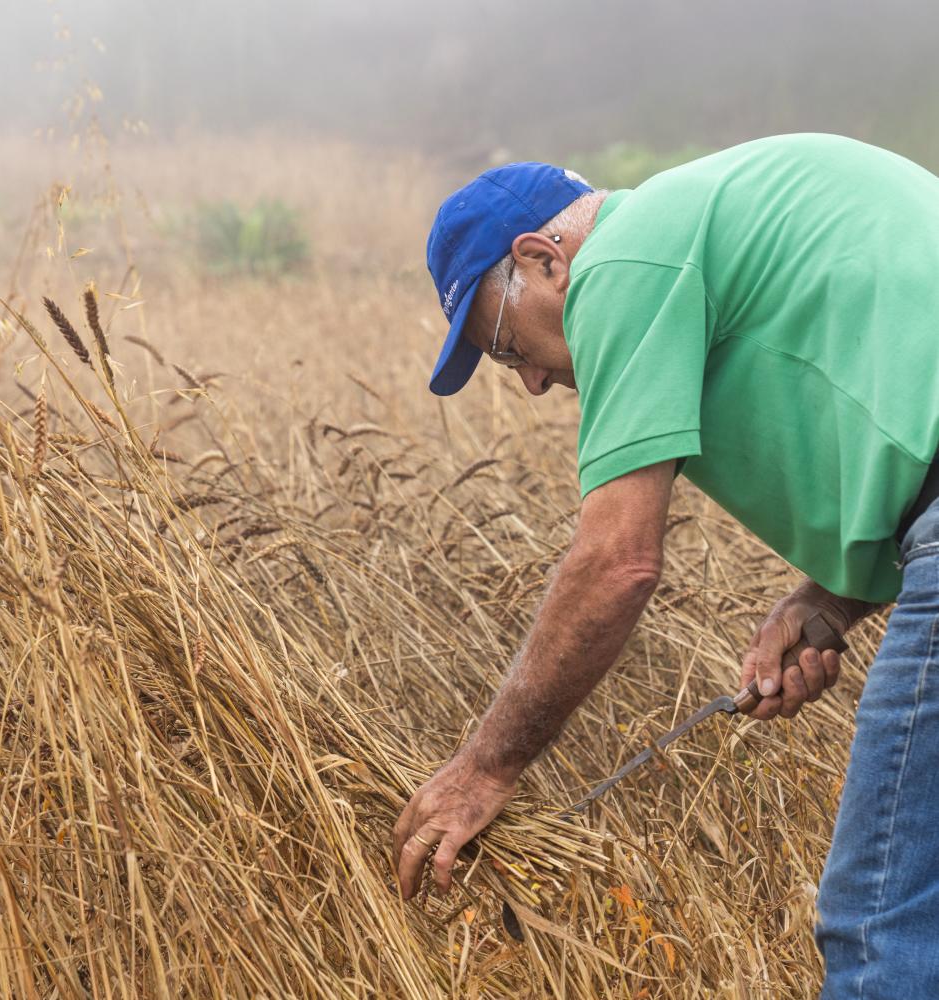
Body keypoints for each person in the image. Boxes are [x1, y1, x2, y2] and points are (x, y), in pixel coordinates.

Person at [392, 133, 939, 996]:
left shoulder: (625, 262)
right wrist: (833, 601)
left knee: (879, 922)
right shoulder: (696, 227)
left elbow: (617, 561)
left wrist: (484, 769)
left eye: (504, 345)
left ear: (543, 260)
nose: (529, 383)